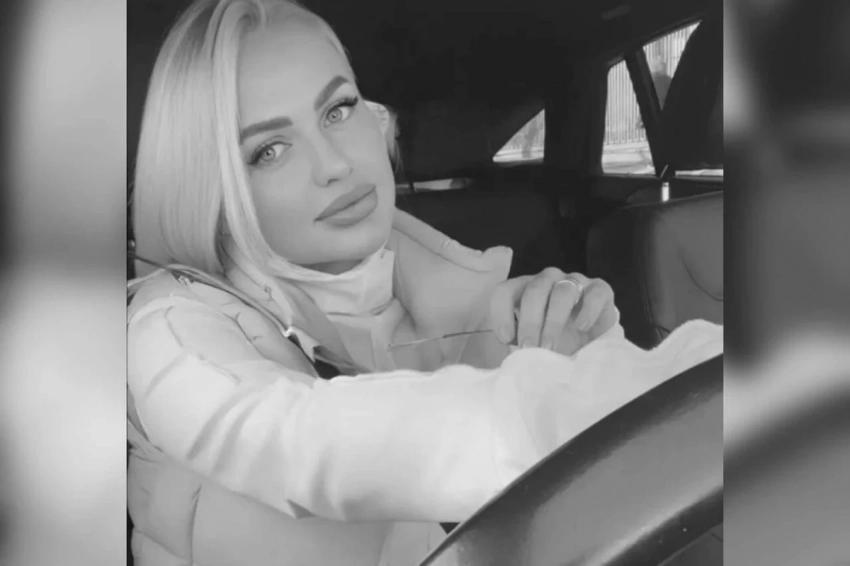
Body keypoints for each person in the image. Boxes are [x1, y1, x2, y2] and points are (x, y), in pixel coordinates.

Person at [127, 1, 723, 564]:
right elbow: (298, 439)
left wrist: (583, 349)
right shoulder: (169, 328)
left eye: (338, 109)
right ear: (208, 187)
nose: (335, 163)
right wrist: (574, 404)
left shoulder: (463, 295)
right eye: (268, 150)